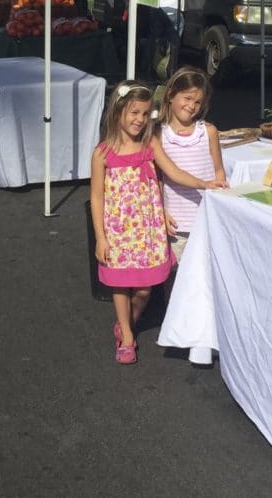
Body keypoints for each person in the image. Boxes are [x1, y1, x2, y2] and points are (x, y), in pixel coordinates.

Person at [90, 82, 226, 365]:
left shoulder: (150, 144)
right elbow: (97, 197)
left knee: (143, 289)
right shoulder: (102, 154)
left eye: (144, 114)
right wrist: (101, 238)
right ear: (117, 112)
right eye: (133, 113)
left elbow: (174, 173)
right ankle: (127, 335)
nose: (139, 120)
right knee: (119, 283)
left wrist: (204, 184)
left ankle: (128, 320)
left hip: (146, 231)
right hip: (118, 231)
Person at [157, 67, 226, 300]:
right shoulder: (160, 135)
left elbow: (218, 171)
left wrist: (219, 195)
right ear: (171, 95)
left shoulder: (208, 131)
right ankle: (173, 324)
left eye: (198, 101)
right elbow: (160, 178)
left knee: (203, 275)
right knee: (174, 276)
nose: (192, 106)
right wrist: (161, 212)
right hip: (177, 221)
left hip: (205, 217)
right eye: (187, 98)